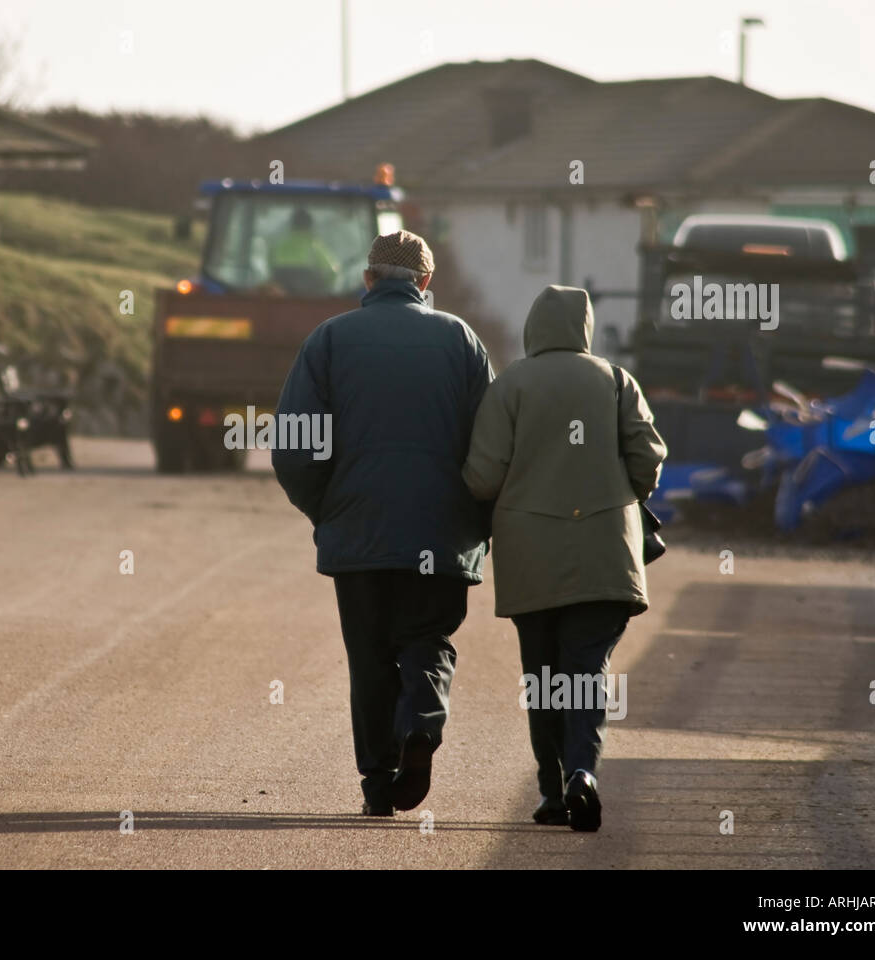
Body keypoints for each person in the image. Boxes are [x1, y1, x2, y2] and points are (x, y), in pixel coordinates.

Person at [272, 230, 494, 816]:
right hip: (442, 533)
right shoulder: (461, 340)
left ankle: (377, 784)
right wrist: (479, 516)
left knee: (368, 656)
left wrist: (327, 509)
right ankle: (421, 723)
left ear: (368, 279)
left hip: (360, 535)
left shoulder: (329, 340)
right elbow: (492, 445)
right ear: (425, 282)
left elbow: (293, 446)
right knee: (427, 638)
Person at [462, 285, 666, 832]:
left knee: (543, 674)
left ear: (533, 328)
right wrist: (623, 490)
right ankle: (584, 771)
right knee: (585, 668)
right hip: (606, 554)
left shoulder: (509, 387)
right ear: (586, 328)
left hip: (531, 557)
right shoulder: (617, 381)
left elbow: (482, 477)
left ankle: (552, 793)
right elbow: (648, 457)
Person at [267, 207, 340, 295]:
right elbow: (331, 271)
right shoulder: (314, 245)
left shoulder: (280, 244)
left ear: (292, 225)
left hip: (281, 297)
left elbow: (269, 269)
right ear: (310, 225)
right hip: (310, 298)